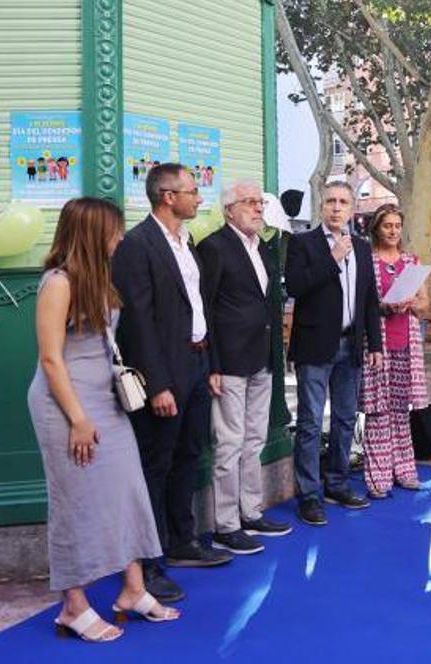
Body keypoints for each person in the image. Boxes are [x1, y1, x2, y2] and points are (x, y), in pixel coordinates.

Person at [29, 198, 180, 641]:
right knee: (74, 502)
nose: (120, 237)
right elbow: (50, 360)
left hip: (105, 400)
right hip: (66, 404)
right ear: (93, 234)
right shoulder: (57, 283)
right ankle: (73, 605)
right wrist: (77, 418)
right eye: (114, 230)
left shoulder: (99, 279)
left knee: (128, 491)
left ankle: (133, 589)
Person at [112, 163, 230, 604]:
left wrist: (212, 362)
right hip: (165, 373)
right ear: (167, 196)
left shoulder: (187, 242)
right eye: (193, 191)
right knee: (155, 466)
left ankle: (183, 542)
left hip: (198, 365)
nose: (200, 198)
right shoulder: (136, 246)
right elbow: (137, 323)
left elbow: (200, 309)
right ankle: (147, 561)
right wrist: (157, 384)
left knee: (190, 455)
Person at [198, 180, 291, 556]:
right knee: (230, 444)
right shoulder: (214, 248)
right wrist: (213, 365)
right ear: (229, 210)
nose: (257, 208)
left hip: (262, 358)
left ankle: (250, 512)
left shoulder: (264, 248)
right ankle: (226, 525)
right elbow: (206, 310)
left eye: (259, 202)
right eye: (249, 202)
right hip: (230, 362)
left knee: (255, 440)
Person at [285, 181, 383, 525]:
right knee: (311, 423)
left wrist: (375, 344)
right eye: (330, 202)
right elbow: (296, 286)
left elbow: (369, 298)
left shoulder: (361, 246)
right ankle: (309, 496)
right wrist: (332, 259)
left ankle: (337, 483)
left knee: (344, 419)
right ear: (321, 206)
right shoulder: (302, 243)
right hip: (315, 346)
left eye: (343, 202)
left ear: (352, 208)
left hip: (351, 345)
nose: (336, 208)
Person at [361, 204, 431, 498]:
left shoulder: (410, 261)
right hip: (377, 344)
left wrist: (412, 304)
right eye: (387, 225)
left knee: (401, 412)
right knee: (378, 412)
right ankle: (378, 477)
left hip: (406, 342)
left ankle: (404, 470)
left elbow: (425, 303)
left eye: (396, 226)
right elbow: (361, 303)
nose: (392, 231)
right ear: (377, 228)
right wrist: (385, 306)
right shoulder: (367, 260)